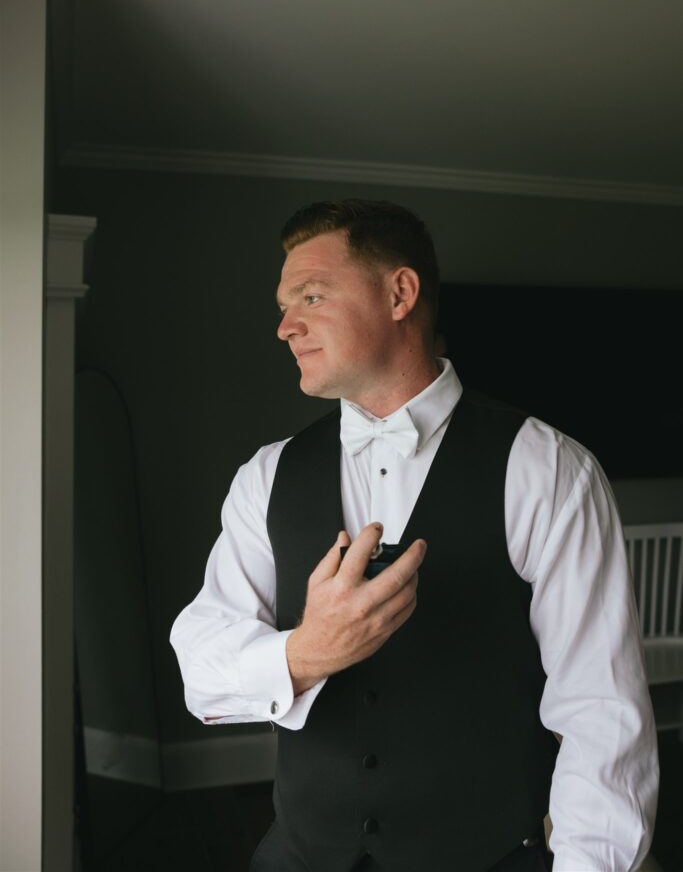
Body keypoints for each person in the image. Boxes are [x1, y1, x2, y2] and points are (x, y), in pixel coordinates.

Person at [170, 199, 658, 872]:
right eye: (283, 305)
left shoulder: (547, 470)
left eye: (311, 296)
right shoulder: (266, 475)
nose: (285, 326)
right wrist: (306, 652)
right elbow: (201, 667)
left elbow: (601, 718)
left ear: (399, 293)